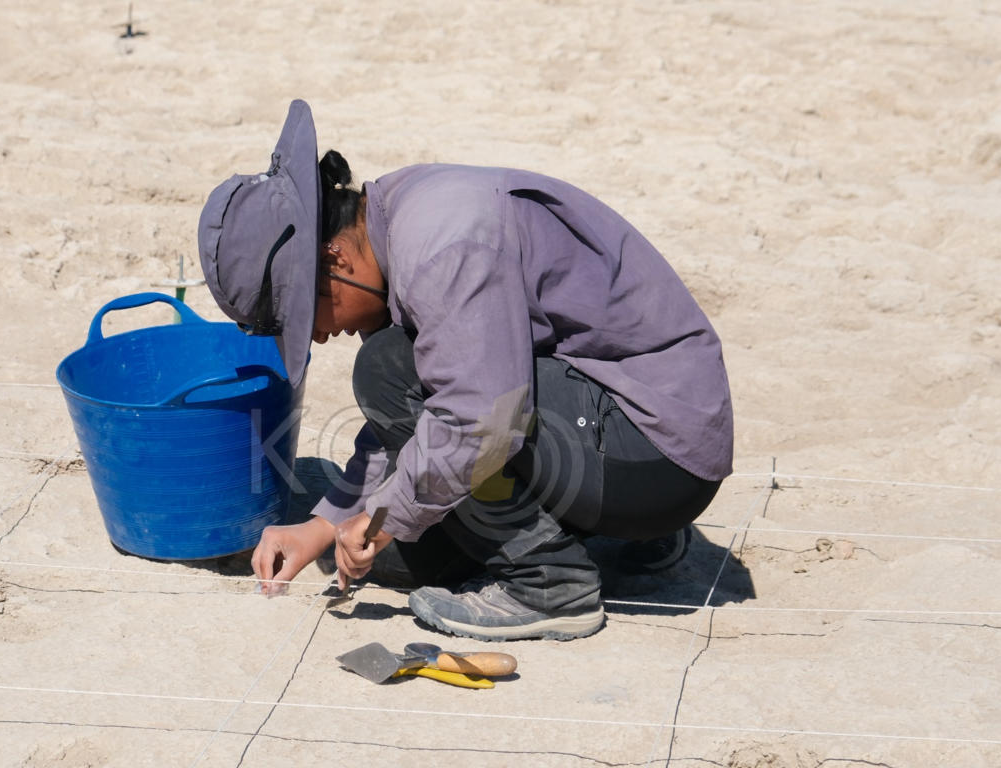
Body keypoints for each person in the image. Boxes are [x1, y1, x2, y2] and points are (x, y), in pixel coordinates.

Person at [198, 100, 733, 641]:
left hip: (656, 450)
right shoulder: (393, 220)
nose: (315, 336)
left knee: (384, 370)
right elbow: (427, 400)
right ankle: (614, 533)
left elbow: (474, 415)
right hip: (622, 442)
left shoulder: (439, 244)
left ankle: (550, 585)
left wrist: (382, 520)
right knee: (403, 562)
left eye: (304, 317)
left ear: (333, 258)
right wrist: (326, 525)